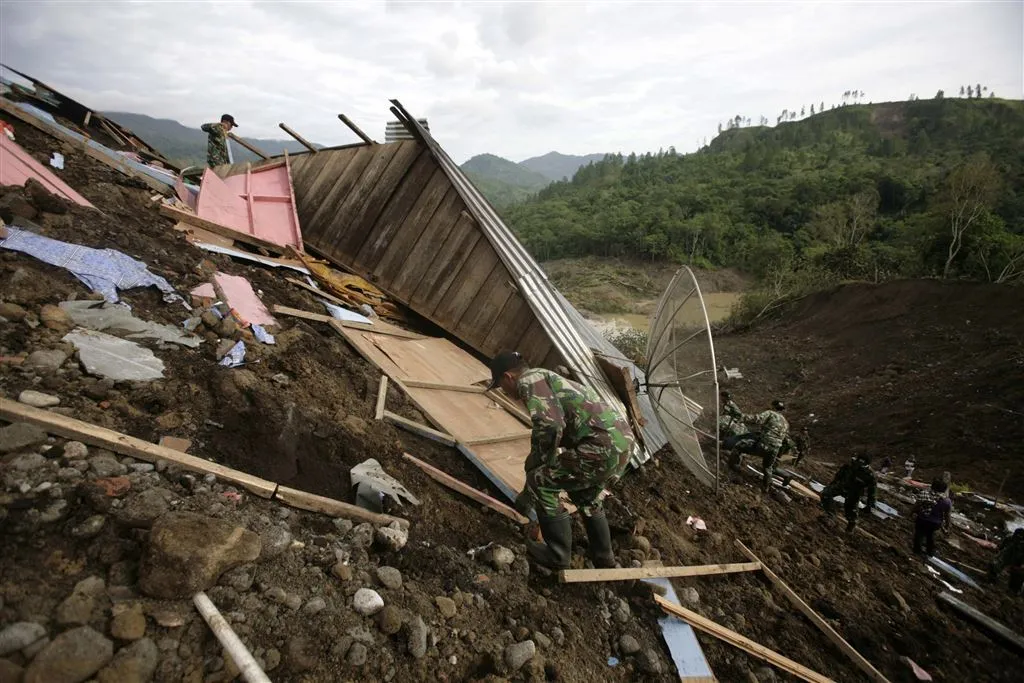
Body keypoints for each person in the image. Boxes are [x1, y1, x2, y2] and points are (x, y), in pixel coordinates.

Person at [488, 351, 634, 570]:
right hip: (620, 445)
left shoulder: (530, 380)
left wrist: (537, 462)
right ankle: (604, 557)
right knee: (586, 495)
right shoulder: (546, 377)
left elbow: (551, 425)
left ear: (509, 377)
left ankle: (557, 556)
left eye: (501, 386)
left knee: (542, 480)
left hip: (600, 448)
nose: (505, 392)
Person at [731, 400, 790, 492]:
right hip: (775, 449)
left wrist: (741, 416)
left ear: (773, 406)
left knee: (739, 445)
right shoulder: (786, 423)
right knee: (767, 467)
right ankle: (766, 487)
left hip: (764, 445)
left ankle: (734, 467)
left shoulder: (770, 413)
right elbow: (785, 439)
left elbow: (757, 419)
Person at [820, 453, 877, 532]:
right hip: (842, 486)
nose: (859, 465)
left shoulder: (870, 475)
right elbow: (839, 475)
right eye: (858, 462)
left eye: (861, 464)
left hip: (854, 493)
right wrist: (832, 484)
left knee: (851, 512)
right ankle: (830, 515)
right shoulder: (849, 465)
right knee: (826, 493)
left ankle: (850, 528)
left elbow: (872, 491)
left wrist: (870, 505)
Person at [912, 478, 952, 556]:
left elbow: (916, 506)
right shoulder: (947, 501)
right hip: (936, 523)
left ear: (932, 487)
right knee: (931, 536)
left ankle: (917, 551)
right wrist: (947, 526)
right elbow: (947, 515)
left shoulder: (924, 494)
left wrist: (911, 513)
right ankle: (930, 552)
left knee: (919, 534)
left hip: (922, 520)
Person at [989, 528, 1024, 594]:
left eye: (1019, 539)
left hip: (1018, 565)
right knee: (993, 565)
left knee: (1019, 574)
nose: (1017, 540)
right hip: (1009, 559)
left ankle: (1015, 589)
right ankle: (993, 578)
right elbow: (1000, 550)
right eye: (1016, 537)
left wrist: (1012, 567)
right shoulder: (1009, 539)